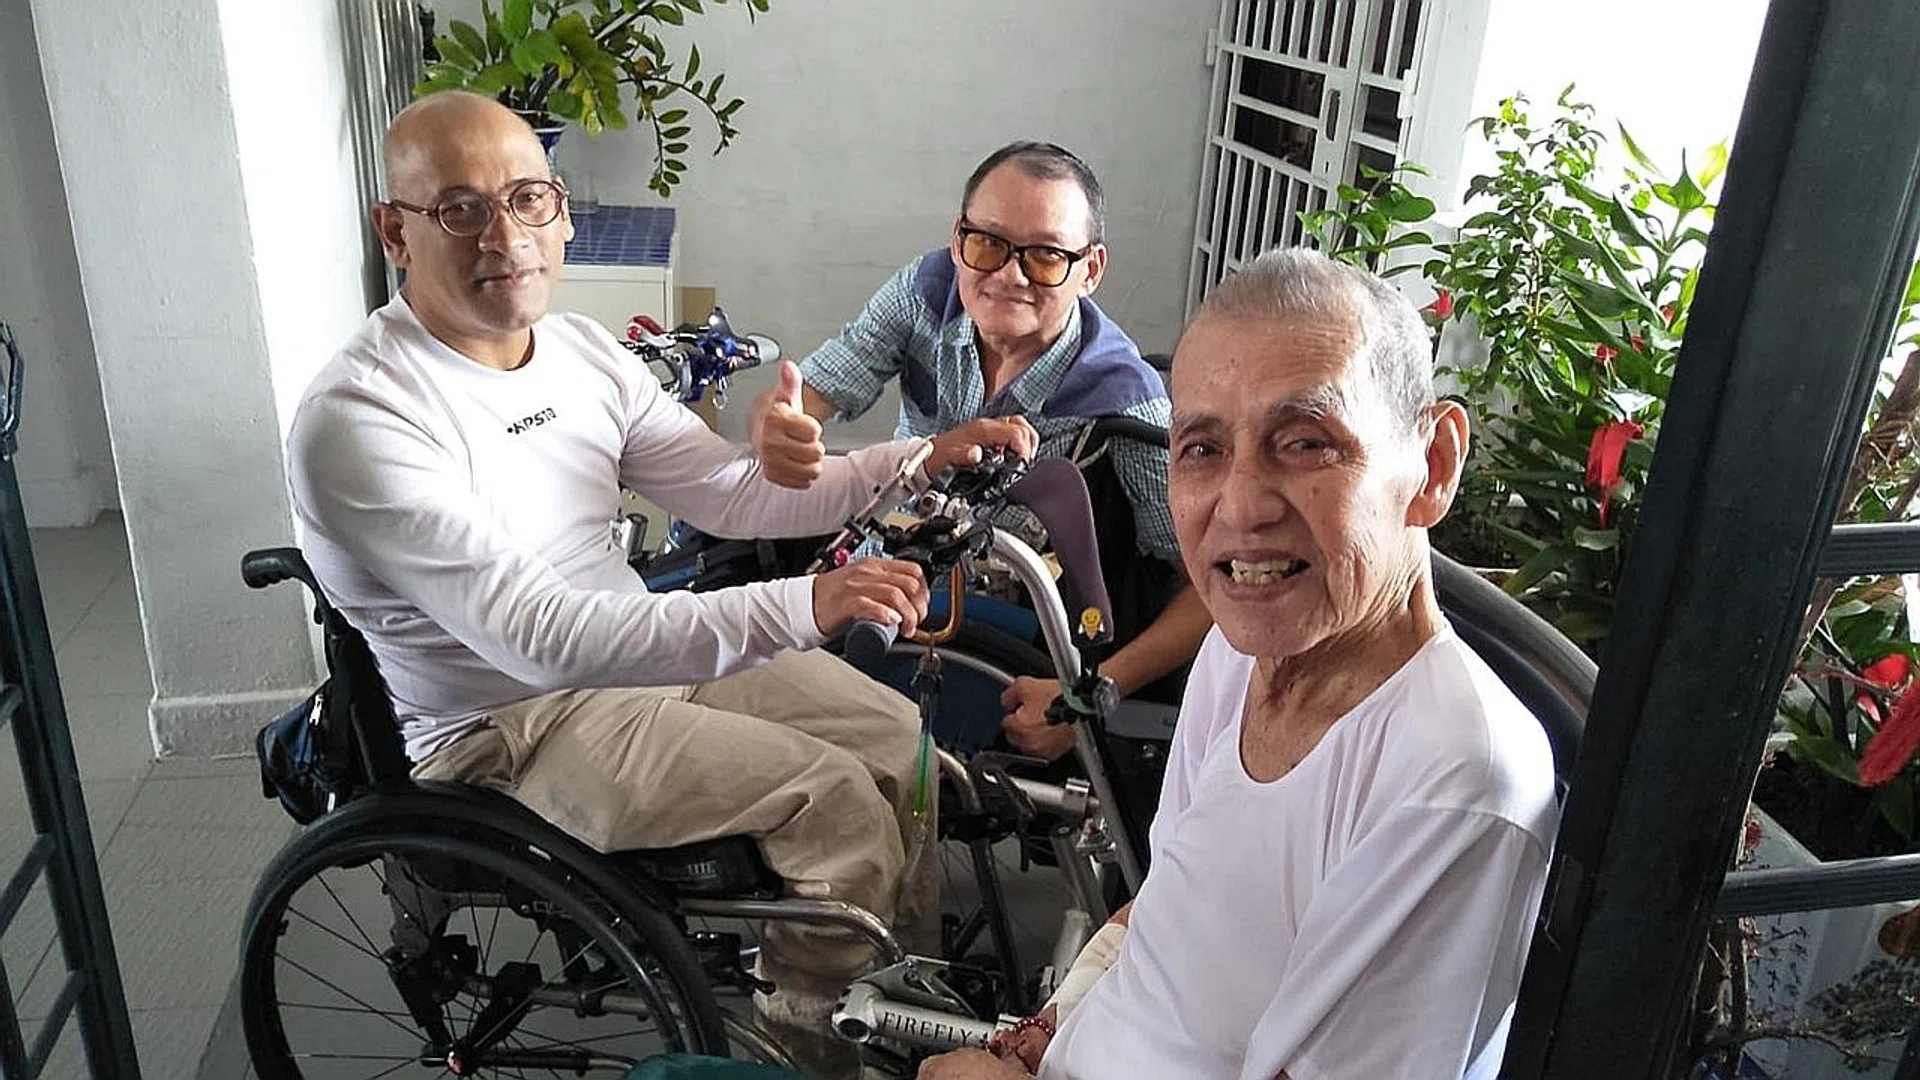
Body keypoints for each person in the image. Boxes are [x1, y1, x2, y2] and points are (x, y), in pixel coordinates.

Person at [284, 90, 1036, 1079]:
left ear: (560, 210)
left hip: (635, 657)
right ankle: (810, 1057)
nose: (505, 237)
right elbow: (539, 636)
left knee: (903, 743)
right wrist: (807, 605)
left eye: (528, 199)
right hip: (510, 729)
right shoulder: (362, 417)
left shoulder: (581, 352)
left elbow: (729, 491)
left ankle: (901, 1018)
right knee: (836, 806)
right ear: (396, 232)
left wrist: (916, 460)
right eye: (460, 209)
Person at [916, 247, 1561, 1079]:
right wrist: (1031, 1042)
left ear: (1432, 466)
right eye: (1202, 449)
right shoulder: (1240, 650)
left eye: (1306, 443)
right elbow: (1160, 916)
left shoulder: (1452, 779)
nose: (1243, 505)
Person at [749, 141, 1212, 762]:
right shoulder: (924, 295)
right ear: (957, 238)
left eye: (1046, 256)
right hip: (877, 570)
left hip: (995, 622)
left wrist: (1087, 696)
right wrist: (775, 429)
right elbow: (801, 398)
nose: (1010, 276)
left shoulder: (1124, 401)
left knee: (815, 744)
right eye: (989, 243)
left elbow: (1206, 586)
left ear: (1091, 269)